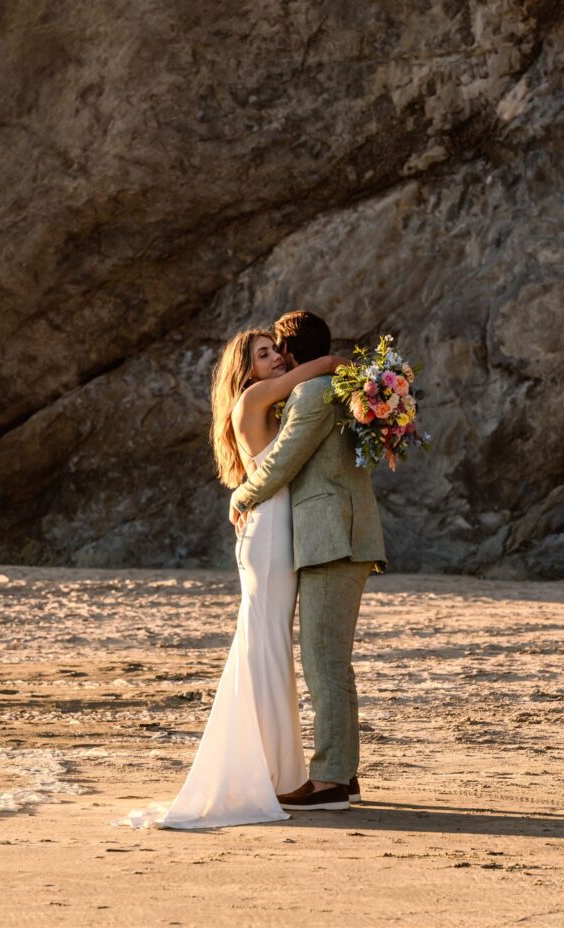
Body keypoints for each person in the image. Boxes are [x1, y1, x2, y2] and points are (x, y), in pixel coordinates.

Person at [111, 327, 346, 830]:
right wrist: (353, 368)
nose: (278, 360)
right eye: (265, 355)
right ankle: (273, 775)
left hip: (273, 525)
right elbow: (322, 368)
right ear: (247, 368)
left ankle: (277, 770)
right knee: (265, 643)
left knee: (268, 643)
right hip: (265, 532)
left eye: (276, 351)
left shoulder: (265, 400)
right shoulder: (253, 397)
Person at [230, 311, 386, 812]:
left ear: (292, 353)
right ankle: (344, 772)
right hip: (333, 536)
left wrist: (241, 494)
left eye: (277, 349)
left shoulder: (316, 393)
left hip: (331, 538)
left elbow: (284, 460)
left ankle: (331, 780)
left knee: (324, 662)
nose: (276, 357)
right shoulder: (334, 389)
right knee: (330, 661)